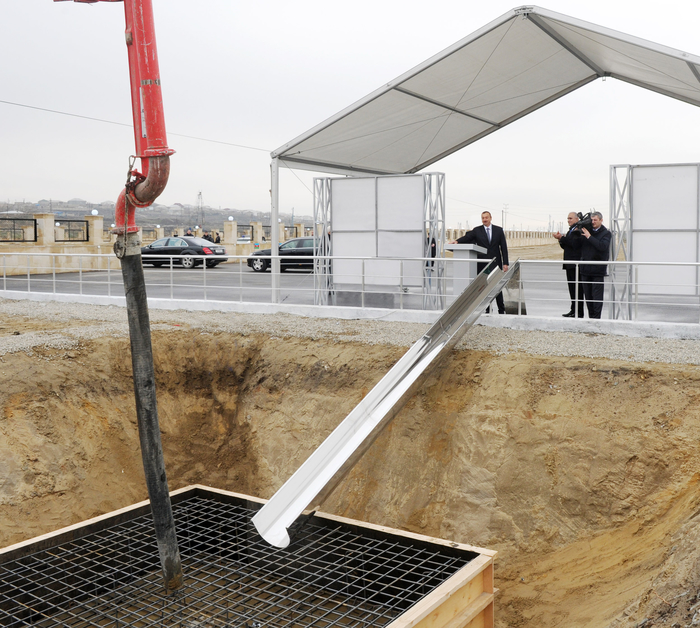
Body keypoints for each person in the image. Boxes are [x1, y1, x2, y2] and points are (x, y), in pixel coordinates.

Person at [451, 211, 509, 313]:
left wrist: (505, 263)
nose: (484, 219)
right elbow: (467, 237)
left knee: (497, 286)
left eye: (486, 217)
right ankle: (486, 309)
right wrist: (457, 241)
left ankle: (501, 309)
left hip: (496, 263)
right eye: (482, 218)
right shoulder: (477, 230)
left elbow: (503, 247)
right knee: (484, 287)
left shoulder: (498, 230)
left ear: (490, 218)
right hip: (482, 263)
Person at [573, 211, 611, 319]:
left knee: (597, 298)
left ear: (601, 220)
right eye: (592, 220)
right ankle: (591, 319)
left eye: (595, 220)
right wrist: (576, 232)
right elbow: (575, 246)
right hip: (585, 270)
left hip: (598, 270)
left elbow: (602, 246)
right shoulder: (586, 230)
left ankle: (597, 320)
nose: (593, 222)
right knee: (588, 298)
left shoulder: (606, 233)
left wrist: (589, 237)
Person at [554, 212, 584, 318]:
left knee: (577, 289)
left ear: (576, 219)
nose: (568, 220)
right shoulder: (571, 230)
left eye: (570, 218)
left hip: (575, 264)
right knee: (572, 289)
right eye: (568, 218)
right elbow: (567, 246)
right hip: (569, 264)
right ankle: (573, 310)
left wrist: (562, 238)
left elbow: (574, 244)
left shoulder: (578, 229)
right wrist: (560, 239)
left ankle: (578, 312)